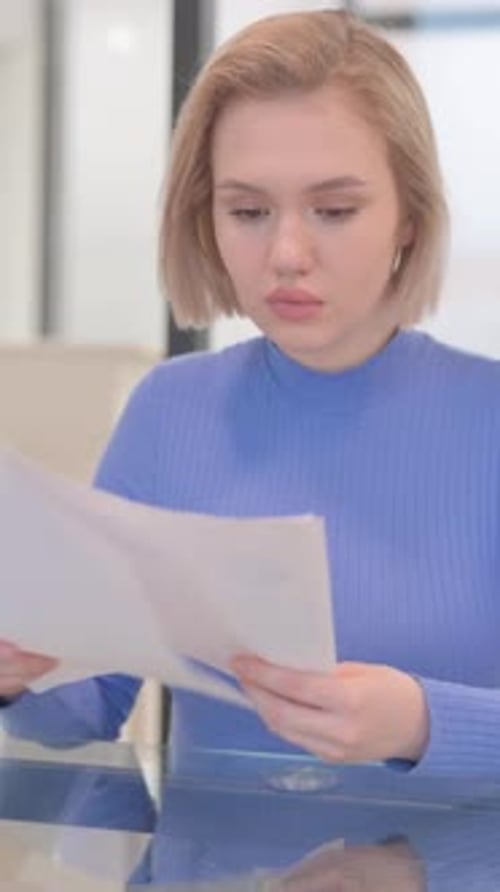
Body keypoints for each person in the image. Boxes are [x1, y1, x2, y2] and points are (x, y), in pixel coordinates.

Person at [1, 8, 499, 778]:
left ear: (410, 216)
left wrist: (423, 724)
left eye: (334, 211)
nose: (287, 253)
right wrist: (18, 671)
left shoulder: (485, 420)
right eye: (248, 212)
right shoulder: (169, 411)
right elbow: (88, 706)